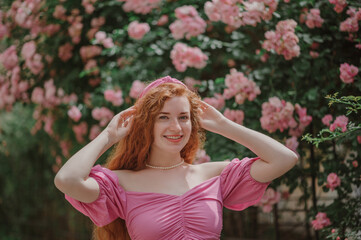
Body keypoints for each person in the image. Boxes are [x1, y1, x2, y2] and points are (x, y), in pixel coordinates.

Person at [54, 76, 298, 240]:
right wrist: (107, 136)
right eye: (163, 117)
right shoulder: (121, 184)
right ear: (146, 124)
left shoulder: (212, 176)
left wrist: (224, 125)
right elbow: (67, 179)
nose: (176, 127)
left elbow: (284, 159)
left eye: (183, 117)